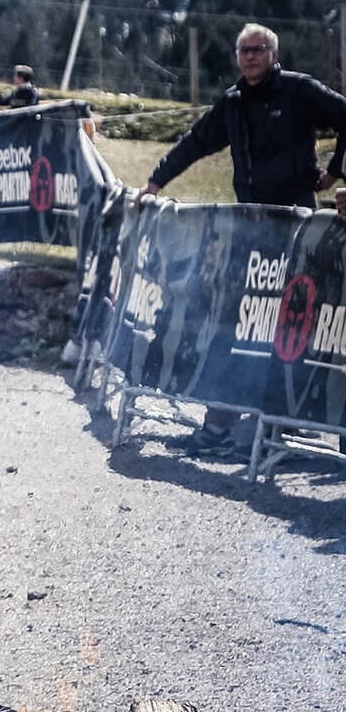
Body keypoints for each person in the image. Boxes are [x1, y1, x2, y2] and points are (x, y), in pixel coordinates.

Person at [137, 23, 346, 452]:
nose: (249, 57)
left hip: (295, 235)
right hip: (247, 234)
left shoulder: (299, 91)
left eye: (257, 50)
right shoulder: (232, 103)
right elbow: (196, 142)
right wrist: (156, 182)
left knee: (290, 328)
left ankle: (283, 423)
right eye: (243, 50)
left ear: (272, 53)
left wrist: (337, 170)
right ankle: (221, 425)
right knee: (234, 321)